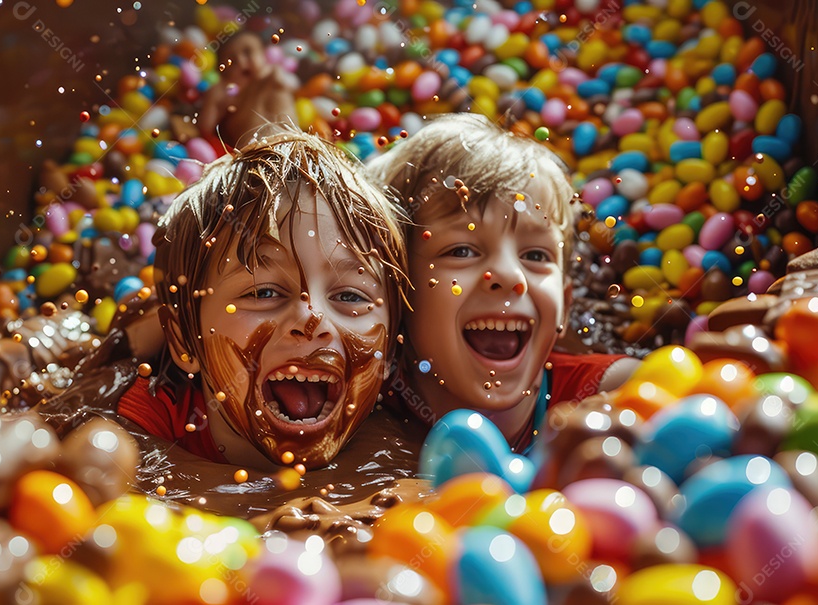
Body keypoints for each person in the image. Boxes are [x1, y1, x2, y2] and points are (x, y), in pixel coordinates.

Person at [116, 129, 409, 470]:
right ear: (185, 342)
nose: (312, 318)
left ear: (391, 347)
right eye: (263, 292)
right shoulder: (146, 427)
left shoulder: (402, 434)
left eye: (349, 295)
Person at [366, 113, 638, 454]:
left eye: (536, 255)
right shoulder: (360, 408)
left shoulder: (613, 396)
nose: (511, 277)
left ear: (565, 304)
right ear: (396, 292)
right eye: (462, 251)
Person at [198, 30, 299, 148]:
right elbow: (204, 130)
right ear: (224, 75)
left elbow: (291, 84)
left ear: (264, 54)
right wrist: (212, 101)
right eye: (232, 62)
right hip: (253, 156)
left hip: (295, 148)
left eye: (247, 52)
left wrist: (271, 73)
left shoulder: (274, 77)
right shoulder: (230, 102)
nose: (241, 62)